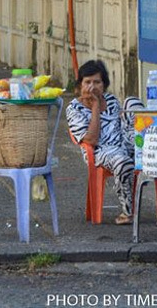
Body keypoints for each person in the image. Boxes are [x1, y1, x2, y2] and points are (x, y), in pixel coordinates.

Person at [66, 60, 142, 225]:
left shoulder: (111, 100)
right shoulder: (74, 109)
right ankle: (128, 211)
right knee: (122, 161)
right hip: (100, 151)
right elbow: (91, 140)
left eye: (97, 82)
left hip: (124, 144)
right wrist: (95, 107)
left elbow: (124, 124)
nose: (92, 87)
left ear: (104, 85)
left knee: (132, 102)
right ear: (80, 85)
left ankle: (145, 149)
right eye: (87, 82)